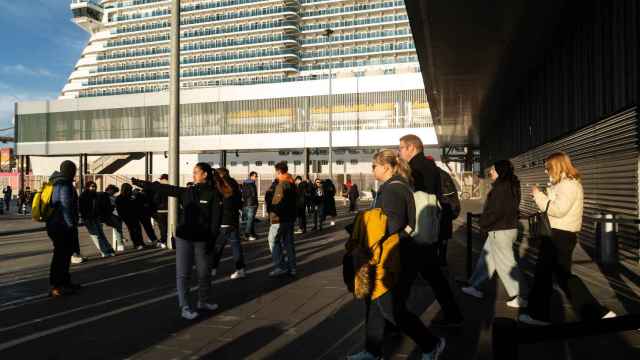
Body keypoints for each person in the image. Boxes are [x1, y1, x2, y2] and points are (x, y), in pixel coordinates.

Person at [347, 149, 445, 360]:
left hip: (392, 256)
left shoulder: (392, 190)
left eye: (374, 166)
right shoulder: (398, 186)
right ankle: (372, 351)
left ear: (387, 167)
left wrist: (363, 228)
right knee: (375, 304)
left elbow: (392, 223)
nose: (372, 169)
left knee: (392, 309)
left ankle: (431, 343)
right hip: (395, 253)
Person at [519, 152, 616, 325]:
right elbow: (556, 207)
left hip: (559, 235)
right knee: (561, 276)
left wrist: (539, 195)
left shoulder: (568, 185)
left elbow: (558, 210)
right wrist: (543, 194)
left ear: (556, 166)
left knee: (545, 275)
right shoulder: (565, 184)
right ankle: (597, 313)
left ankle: (538, 315)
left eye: (547, 168)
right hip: (560, 234)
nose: (545, 172)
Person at [132, 163, 225, 320]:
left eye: (196, 172)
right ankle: (185, 307)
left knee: (204, 273)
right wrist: (144, 184)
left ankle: (203, 301)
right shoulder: (188, 192)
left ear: (205, 175)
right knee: (183, 273)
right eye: (193, 172)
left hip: (202, 239)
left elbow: (215, 222)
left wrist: (212, 240)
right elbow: (166, 189)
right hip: (184, 237)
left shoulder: (214, 194)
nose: (193, 175)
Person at [398, 134, 463, 326]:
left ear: (411, 147)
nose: (399, 151)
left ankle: (392, 319)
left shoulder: (416, 169)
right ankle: (453, 315)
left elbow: (415, 200)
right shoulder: (430, 167)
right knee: (432, 275)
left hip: (417, 230)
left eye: (401, 147)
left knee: (407, 278)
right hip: (427, 229)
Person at [461, 160, 528, 308]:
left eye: (493, 169)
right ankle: (475, 286)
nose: (490, 172)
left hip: (500, 229)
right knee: (487, 260)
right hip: (505, 228)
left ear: (500, 171)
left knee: (506, 264)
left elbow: (496, 210)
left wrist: (483, 223)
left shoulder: (502, 187)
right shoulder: (510, 185)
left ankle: (521, 295)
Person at [46, 161, 83, 297]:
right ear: (69, 170)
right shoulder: (64, 184)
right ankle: (58, 286)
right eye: (73, 170)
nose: (74, 172)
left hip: (54, 224)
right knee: (61, 256)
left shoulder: (55, 182)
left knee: (63, 255)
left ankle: (64, 282)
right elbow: (66, 206)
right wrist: (70, 225)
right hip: (62, 226)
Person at [211, 167, 246, 280]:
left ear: (220, 175)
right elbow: (239, 201)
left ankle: (212, 268)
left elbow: (217, 204)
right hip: (233, 219)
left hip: (223, 221)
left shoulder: (219, 184)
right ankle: (240, 269)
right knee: (236, 246)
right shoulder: (234, 184)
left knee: (218, 246)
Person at [268, 161, 297, 277]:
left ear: (279, 171)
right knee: (289, 243)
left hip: (280, 219)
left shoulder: (281, 184)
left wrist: (272, 213)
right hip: (290, 217)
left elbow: (277, 203)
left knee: (273, 240)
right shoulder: (292, 182)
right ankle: (292, 267)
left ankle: (280, 266)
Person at [432, 159, 461, 266]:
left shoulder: (432, 175)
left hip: (439, 212)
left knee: (436, 238)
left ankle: (437, 262)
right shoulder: (445, 174)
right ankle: (442, 260)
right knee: (443, 239)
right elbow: (453, 196)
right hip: (446, 212)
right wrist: (454, 212)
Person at [79, 181, 116, 258]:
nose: (94, 188)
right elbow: (81, 208)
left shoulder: (96, 195)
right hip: (88, 218)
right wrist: (84, 217)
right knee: (96, 235)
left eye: (95, 186)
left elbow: (99, 206)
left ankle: (109, 249)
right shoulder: (83, 196)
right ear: (87, 187)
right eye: (92, 186)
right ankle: (104, 251)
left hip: (96, 217)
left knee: (101, 234)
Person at [116, 183, 146, 250]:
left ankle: (140, 242)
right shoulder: (120, 198)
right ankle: (137, 244)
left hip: (133, 215)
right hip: (127, 216)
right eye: (129, 189)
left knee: (137, 229)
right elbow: (120, 208)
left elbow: (135, 204)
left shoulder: (128, 196)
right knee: (133, 230)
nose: (130, 191)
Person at [103, 185, 125, 252]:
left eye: (114, 192)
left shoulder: (114, 197)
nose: (113, 192)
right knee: (117, 225)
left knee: (118, 224)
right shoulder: (104, 196)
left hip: (114, 214)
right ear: (108, 189)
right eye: (112, 191)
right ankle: (120, 242)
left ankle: (120, 240)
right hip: (107, 215)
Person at [151, 174, 169, 248]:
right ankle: (168, 240)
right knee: (169, 227)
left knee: (163, 227)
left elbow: (156, 200)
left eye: (161, 179)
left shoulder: (159, 189)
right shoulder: (172, 187)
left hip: (161, 211)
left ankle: (163, 241)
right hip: (170, 211)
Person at [241, 171, 259, 241]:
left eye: (256, 176)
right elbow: (253, 195)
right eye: (255, 176)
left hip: (246, 204)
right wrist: (256, 203)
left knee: (248, 220)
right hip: (251, 204)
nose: (256, 178)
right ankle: (247, 234)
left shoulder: (245, 183)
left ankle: (251, 233)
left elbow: (244, 195)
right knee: (250, 220)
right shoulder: (251, 184)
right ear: (251, 176)